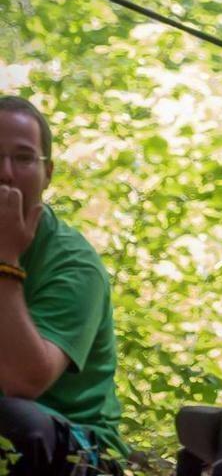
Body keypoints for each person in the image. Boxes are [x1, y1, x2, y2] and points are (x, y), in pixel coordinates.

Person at [0, 96, 126, 475]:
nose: (6, 173)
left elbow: (25, 381)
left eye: (23, 158)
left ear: (48, 173)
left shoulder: (74, 264)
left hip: (80, 450)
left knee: (18, 421)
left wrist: (6, 261)